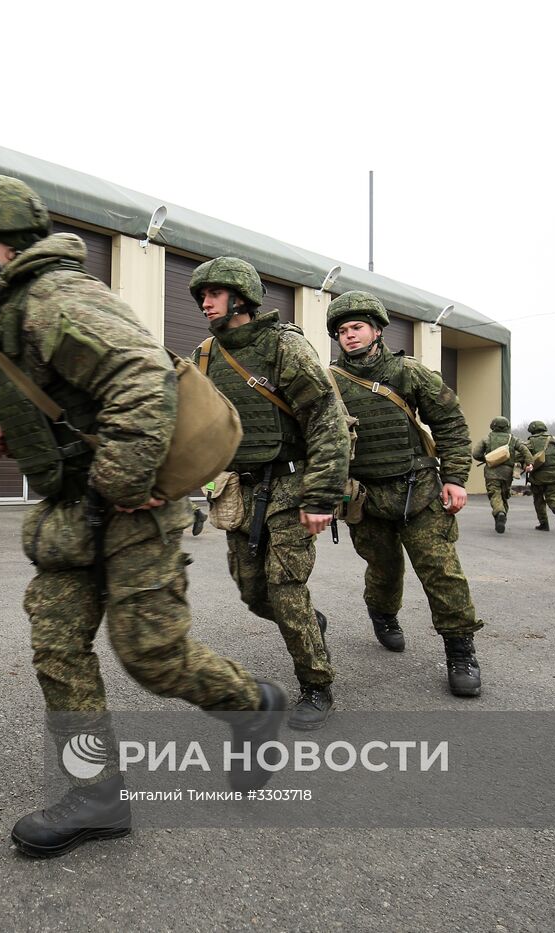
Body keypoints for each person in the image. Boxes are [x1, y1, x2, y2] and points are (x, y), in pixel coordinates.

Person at [0, 174, 285, 858]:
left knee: (151, 653)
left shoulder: (56, 297)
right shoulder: (18, 303)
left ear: (3, 239)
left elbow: (138, 375)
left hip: (129, 504)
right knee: (57, 643)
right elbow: (73, 394)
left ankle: (254, 708)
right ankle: (96, 795)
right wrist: (23, 433)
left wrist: (122, 483)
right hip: (80, 505)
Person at [187, 257, 349, 730]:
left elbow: (326, 419)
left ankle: (316, 683)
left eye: (213, 294)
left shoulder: (283, 345)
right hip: (242, 490)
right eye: (201, 296)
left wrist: (322, 497)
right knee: (253, 592)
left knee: (285, 585)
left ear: (240, 297)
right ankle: (309, 625)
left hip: (293, 483)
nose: (205, 302)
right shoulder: (203, 357)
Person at [327, 291, 484, 698]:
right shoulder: (328, 382)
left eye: (357, 327)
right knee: (383, 569)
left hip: (421, 490)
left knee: (441, 571)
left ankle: (460, 650)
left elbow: (450, 423)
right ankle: (383, 613)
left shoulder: (408, 373)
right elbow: (319, 441)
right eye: (342, 331)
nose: (349, 336)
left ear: (377, 330)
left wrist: (455, 478)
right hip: (365, 497)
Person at [471, 416, 531, 534]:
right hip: (507, 472)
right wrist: (529, 463)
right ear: (507, 426)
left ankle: (499, 513)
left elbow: (476, 454)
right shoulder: (512, 439)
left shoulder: (487, 439)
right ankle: (502, 518)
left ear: (493, 426)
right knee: (504, 495)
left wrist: (487, 458)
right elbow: (525, 450)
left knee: (495, 494)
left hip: (491, 472)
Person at [523, 421, 555, 530]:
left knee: (539, 500)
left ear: (532, 430)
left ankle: (544, 524)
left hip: (538, 477)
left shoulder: (530, 442)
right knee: (552, 497)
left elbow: (522, 455)